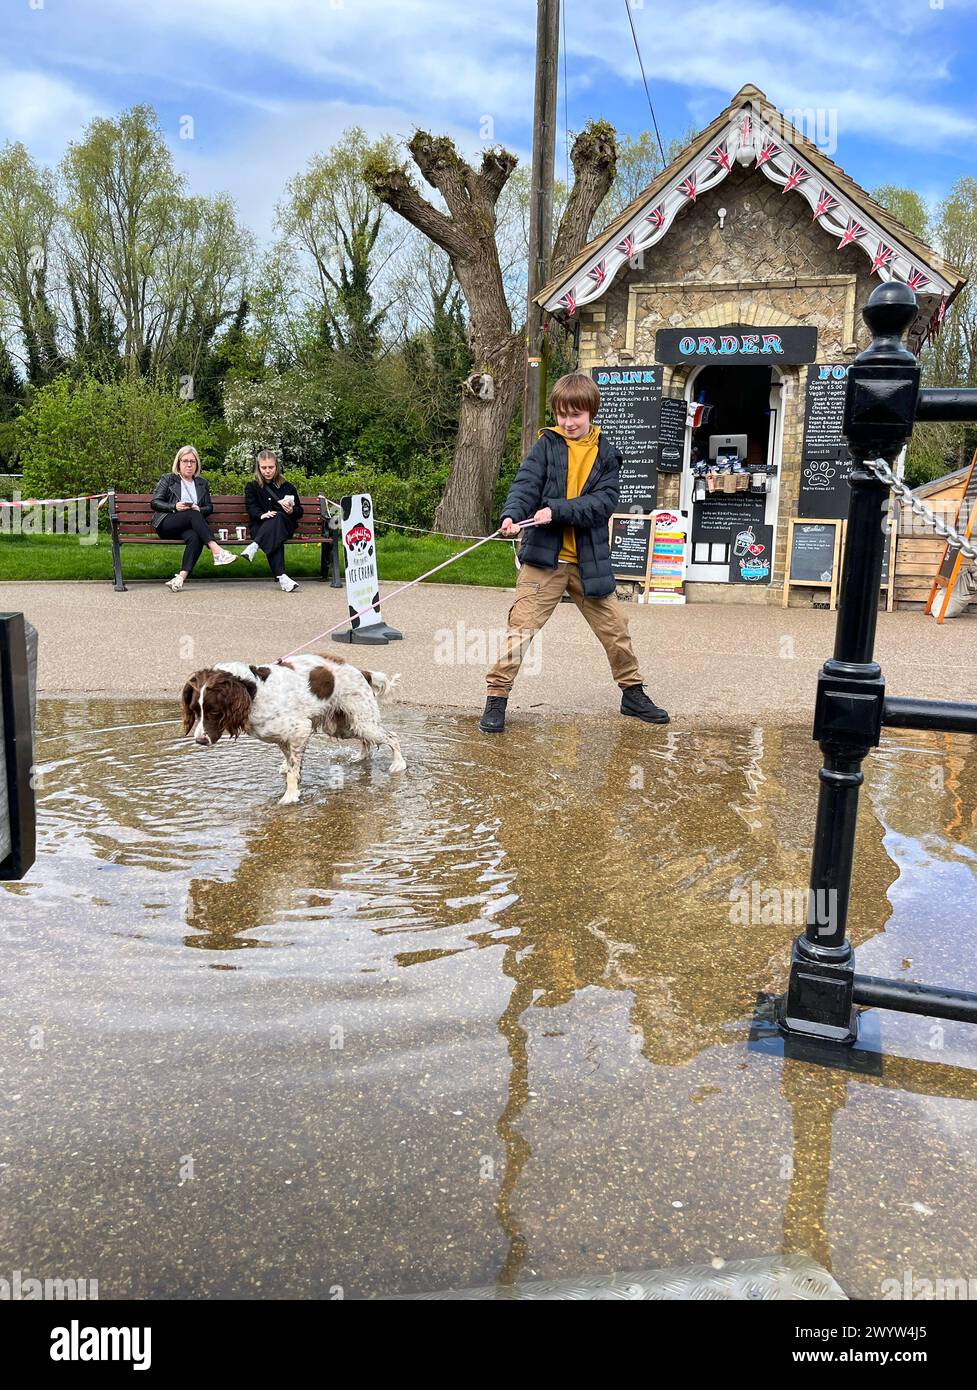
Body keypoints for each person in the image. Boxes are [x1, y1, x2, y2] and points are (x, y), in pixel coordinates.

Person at [480, 371, 669, 733]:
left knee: (616, 629)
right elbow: (525, 485)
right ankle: (497, 698)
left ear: (590, 413)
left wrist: (556, 510)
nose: (568, 422)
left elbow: (602, 504)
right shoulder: (545, 447)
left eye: (576, 415)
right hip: (544, 560)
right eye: (562, 415)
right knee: (520, 629)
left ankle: (633, 694)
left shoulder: (607, 455)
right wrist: (511, 516)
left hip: (588, 562)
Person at [152, 446, 238, 592]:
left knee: (195, 536)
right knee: (192, 513)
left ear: (197, 464)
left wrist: (200, 509)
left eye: (193, 461)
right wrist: (174, 506)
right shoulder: (168, 479)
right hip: (167, 522)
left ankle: (179, 578)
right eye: (185, 461)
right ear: (178, 463)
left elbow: (209, 507)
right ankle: (217, 551)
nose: (189, 465)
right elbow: (155, 502)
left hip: (189, 526)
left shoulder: (201, 483)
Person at [242, 449, 304, 592]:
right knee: (274, 536)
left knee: (278, 516)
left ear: (277, 467)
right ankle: (282, 578)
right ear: (258, 467)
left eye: (271, 467)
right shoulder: (252, 486)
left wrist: (292, 510)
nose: (267, 471)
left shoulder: (287, 487)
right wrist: (261, 515)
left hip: (285, 525)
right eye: (264, 468)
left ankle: (255, 545)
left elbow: (300, 512)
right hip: (261, 526)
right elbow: (251, 507)